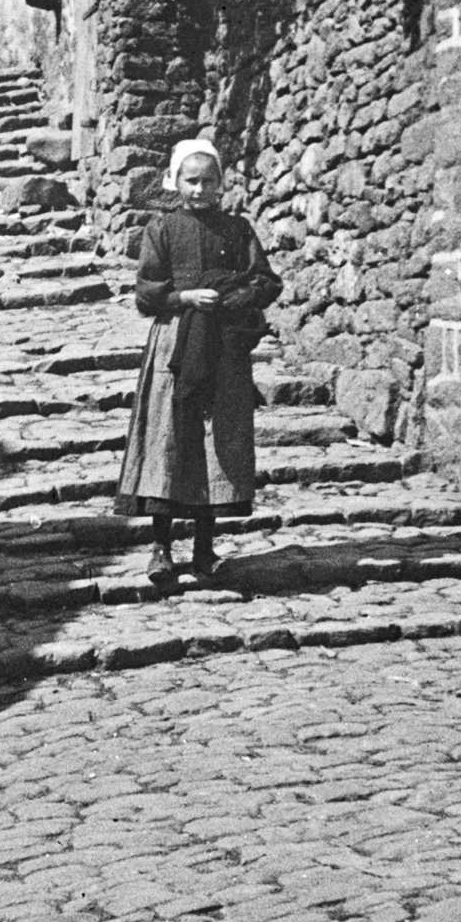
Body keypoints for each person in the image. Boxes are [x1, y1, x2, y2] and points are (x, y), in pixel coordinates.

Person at [114, 137, 283, 586]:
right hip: (175, 344)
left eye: (209, 180)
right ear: (175, 182)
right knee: (169, 438)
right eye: (192, 180)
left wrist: (234, 299)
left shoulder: (237, 230)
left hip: (223, 346)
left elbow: (266, 280)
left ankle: (205, 549)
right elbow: (147, 292)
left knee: (214, 441)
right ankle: (161, 548)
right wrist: (185, 295)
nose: (200, 189)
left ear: (221, 184)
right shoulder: (163, 229)